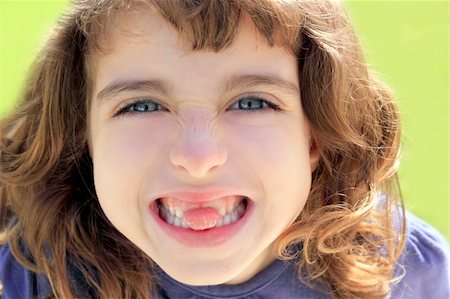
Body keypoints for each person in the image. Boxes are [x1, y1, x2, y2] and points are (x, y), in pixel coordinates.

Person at [0, 0, 448, 298]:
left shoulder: (406, 270)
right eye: (142, 105)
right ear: (86, 137)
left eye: (252, 102)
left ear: (315, 137)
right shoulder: (36, 271)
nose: (198, 157)